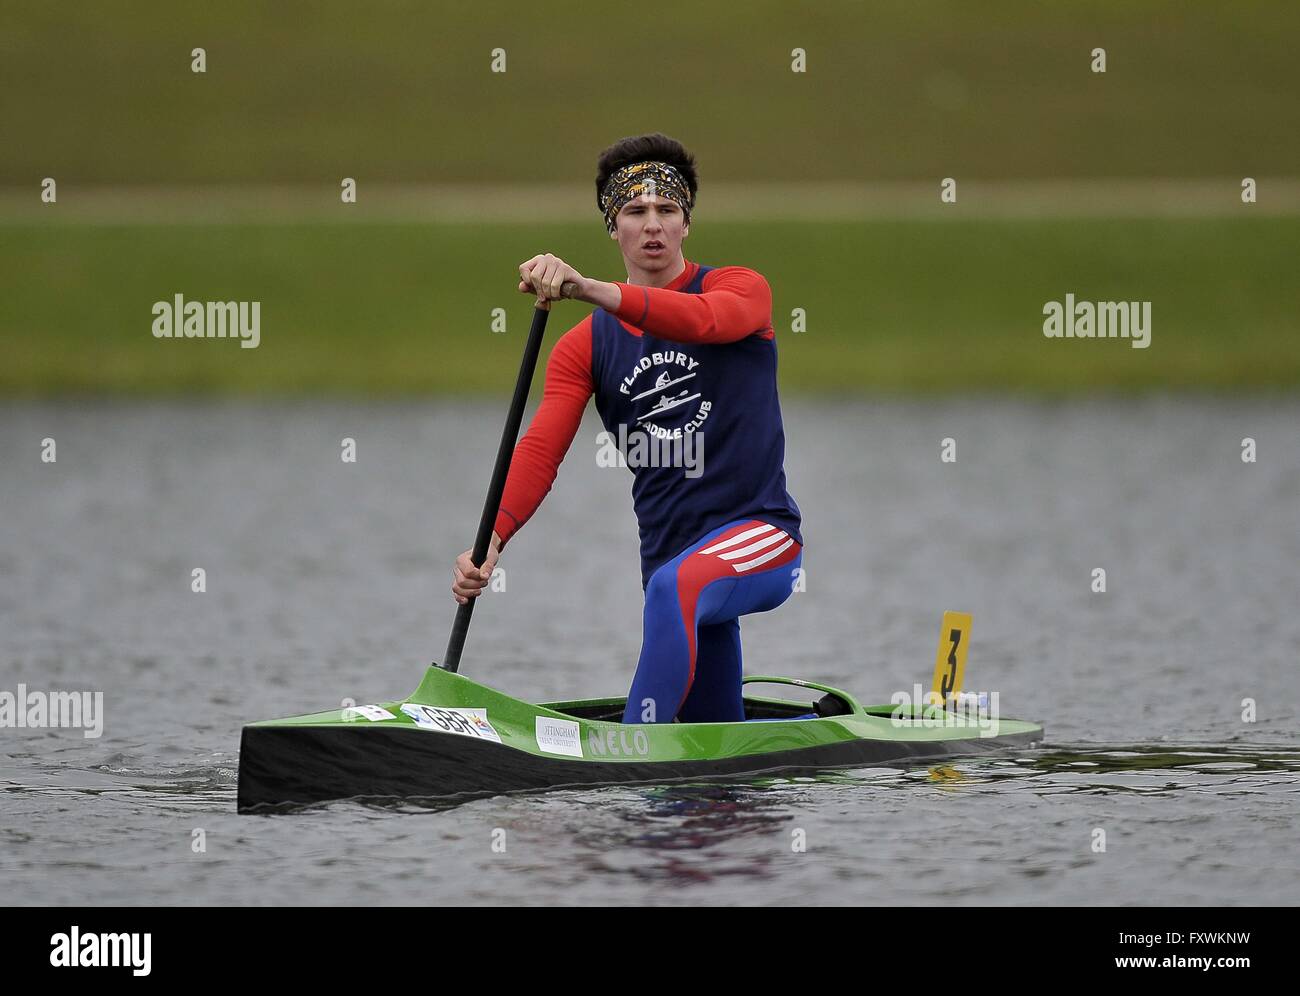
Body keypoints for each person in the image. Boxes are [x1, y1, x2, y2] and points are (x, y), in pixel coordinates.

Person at [452, 132, 802, 724]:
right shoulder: (583, 346)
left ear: (687, 223)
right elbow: (540, 451)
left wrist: (591, 289)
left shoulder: (740, 289)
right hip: (670, 559)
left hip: (760, 538)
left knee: (676, 589)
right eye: (635, 212)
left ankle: (629, 754)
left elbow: (704, 321)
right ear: (613, 227)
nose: (653, 225)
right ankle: (787, 743)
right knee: (714, 743)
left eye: (667, 210)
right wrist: (490, 542)